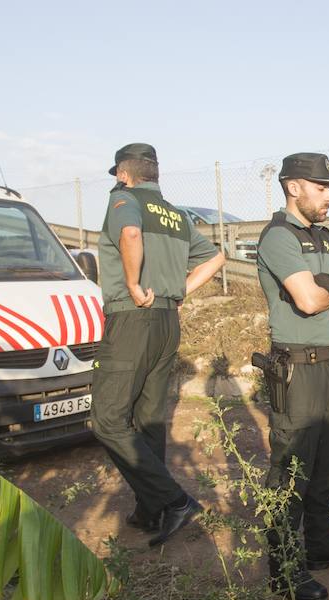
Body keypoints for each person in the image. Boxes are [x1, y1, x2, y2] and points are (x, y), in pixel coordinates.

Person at [93, 142, 224, 547]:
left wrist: (132, 284)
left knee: (107, 418)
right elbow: (216, 257)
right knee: (148, 418)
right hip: (167, 319)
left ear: (123, 173)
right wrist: (181, 290)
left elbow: (131, 233)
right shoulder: (176, 213)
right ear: (155, 173)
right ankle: (151, 511)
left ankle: (174, 500)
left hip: (133, 318)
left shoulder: (123, 200)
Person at [256, 152, 329, 600]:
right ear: (294, 187)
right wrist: (327, 286)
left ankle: (321, 544)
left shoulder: (324, 236)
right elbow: (305, 301)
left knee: (328, 460)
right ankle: (284, 566)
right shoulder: (277, 237)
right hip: (297, 369)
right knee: (291, 469)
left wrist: (323, 285)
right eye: (322, 187)